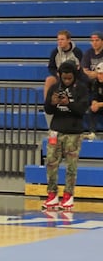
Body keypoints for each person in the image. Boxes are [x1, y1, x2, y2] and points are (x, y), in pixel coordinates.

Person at [42, 61, 89, 210]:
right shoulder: (55, 88)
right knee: (50, 163)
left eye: (69, 78)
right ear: (60, 76)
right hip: (56, 130)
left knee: (71, 167)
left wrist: (69, 103)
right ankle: (52, 194)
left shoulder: (81, 89)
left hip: (73, 133)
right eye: (64, 78)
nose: (67, 81)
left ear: (74, 76)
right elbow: (48, 110)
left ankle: (68, 195)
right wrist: (52, 103)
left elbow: (82, 110)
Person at [44, 30, 82, 101]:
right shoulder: (55, 52)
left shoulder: (77, 52)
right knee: (49, 80)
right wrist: (56, 73)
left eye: (62, 39)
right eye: (58, 39)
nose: (59, 41)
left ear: (68, 40)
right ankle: (48, 105)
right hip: (59, 77)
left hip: (73, 77)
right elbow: (51, 67)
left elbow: (80, 67)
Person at [86, 62, 103, 139]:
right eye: (99, 74)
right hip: (100, 104)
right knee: (91, 109)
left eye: (102, 74)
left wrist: (98, 105)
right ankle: (92, 132)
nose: (100, 76)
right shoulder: (96, 82)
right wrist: (94, 103)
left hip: (101, 104)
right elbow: (95, 95)